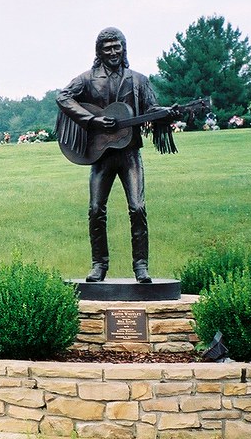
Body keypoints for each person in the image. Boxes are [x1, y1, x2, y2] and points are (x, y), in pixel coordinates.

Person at [56, 27, 177, 283]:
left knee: (137, 207)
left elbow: (152, 108)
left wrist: (166, 113)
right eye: (107, 47)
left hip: (130, 154)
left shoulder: (138, 80)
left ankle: (141, 266)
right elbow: (63, 97)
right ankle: (99, 264)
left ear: (124, 48)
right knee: (96, 208)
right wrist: (92, 121)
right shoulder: (87, 79)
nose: (113, 51)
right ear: (99, 51)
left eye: (117, 46)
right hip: (101, 156)